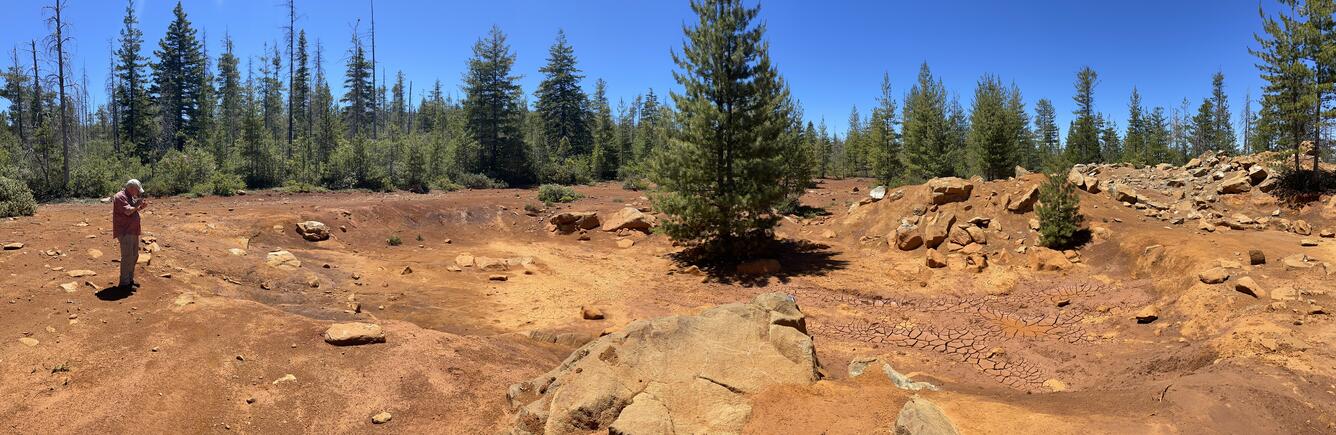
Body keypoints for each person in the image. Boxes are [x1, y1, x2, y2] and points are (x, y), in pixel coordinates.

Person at [112, 179, 149, 289]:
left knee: (134, 256)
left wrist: (140, 207)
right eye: (137, 190)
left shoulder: (129, 196)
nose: (138, 193)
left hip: (132, 230)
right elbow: (128, 211)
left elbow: (133, 210)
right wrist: (138, 205)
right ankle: (124, 283)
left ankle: (130, 279)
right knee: (127, 256)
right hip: (125, 230)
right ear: (131, 188)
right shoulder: (120, 197)